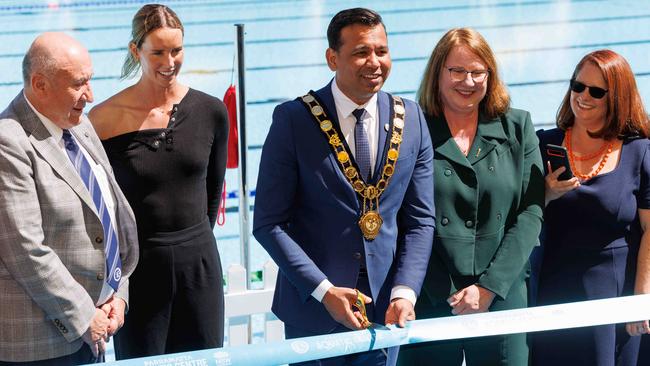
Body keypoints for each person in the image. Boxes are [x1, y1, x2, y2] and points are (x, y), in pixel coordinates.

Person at [253, 7, 435, 366]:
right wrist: (323, 291)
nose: (375, 62)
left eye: (381, 51)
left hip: (385, 314)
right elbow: (268, 223)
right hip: (315, 314)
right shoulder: (294, 120)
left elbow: (420, 220)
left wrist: (404, 292)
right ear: (332, 58)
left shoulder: (410, 118)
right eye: (361, 52)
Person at [397, 28, 545, 366]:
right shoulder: (410, 129)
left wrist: (489, 287)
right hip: (433, 294)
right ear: (438, 73)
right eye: (457, 71)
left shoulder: (517, 127)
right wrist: (445, 288)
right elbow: (402, 216)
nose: (468, 81)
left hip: (501, 292)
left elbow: (530, 213)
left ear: (490, 76)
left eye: (477, 72)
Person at [88, 4, 228, 359]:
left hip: (199, 265)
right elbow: (96, 205)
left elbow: (212, 193)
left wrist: (191, 247)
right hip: (138, 270)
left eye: (177, 50)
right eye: (158, 52)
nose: (170, 62)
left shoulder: (211, 111)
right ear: (136, 51)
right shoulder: (103, 120)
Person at [0, 32, 138, 365]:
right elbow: (25, 250)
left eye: (89, 81)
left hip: (93, 330)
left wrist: (116, 293)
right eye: (78, 84)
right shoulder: (9, 143)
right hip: (40, 345)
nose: (90, 95)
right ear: (40, 84)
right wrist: (82, 315)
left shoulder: (80, 126)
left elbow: (109, 215)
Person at [533, 49, 650, 366]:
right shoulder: (543, 144)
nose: (583, 96)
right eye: (578, 86)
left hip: (615, 295)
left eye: (596, 91)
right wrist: (545, 196)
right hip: (552, 292)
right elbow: (518, 215)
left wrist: (641, 299)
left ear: (618, 98)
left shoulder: (640, 151)